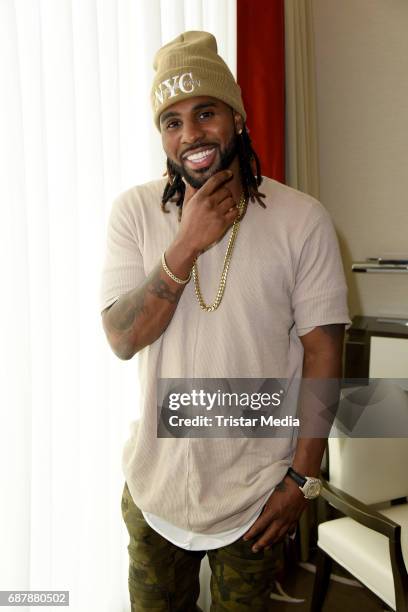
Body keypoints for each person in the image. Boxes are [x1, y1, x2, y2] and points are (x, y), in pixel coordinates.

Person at [100, 31, 350, 611]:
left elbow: (323, 354)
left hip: (258, 497)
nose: (190, 135)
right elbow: (121, 338)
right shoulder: (134, 214)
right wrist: (185, 244)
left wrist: (302, 481)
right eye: (172, 121)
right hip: (156, 493)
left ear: (236, 118)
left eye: (205, 113)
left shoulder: (302, 221)